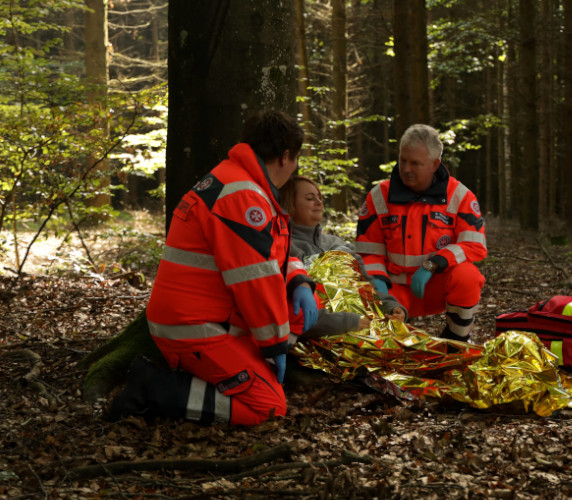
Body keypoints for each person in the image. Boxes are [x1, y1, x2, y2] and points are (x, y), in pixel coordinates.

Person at [109, 110, 319, 426]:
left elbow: (272, 253)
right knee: (269, 407)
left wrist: (299, 281)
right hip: (194, 326)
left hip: (203, 318)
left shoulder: (241, 184)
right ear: (286, 156)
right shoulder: (243, 196)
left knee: (302, 310)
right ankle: (153, 388)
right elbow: (256, 281)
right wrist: (275, 345)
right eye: (296, 159)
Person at [355, 124, 487, 342]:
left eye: (415, 163)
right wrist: (378, 287)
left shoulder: (460, 195)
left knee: (468, 276)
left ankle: (457, 341)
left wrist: (433, 263)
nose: (406, 169)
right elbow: (368, 252)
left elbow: (475, 246)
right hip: (392, 289)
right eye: (403, 160)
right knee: (380, 337)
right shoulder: (379, 196)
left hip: (436, 287)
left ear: (435, 164)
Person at [278, 175, 407, 336]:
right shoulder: (286, 250)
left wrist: (392, 308)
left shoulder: (338, 244)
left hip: (367, 330)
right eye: (310, 198)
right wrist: (349, 323)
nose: (319, 202)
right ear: (290, 204)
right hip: (322, 342)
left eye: (320, 197)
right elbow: (292, 311)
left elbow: (368, 291)